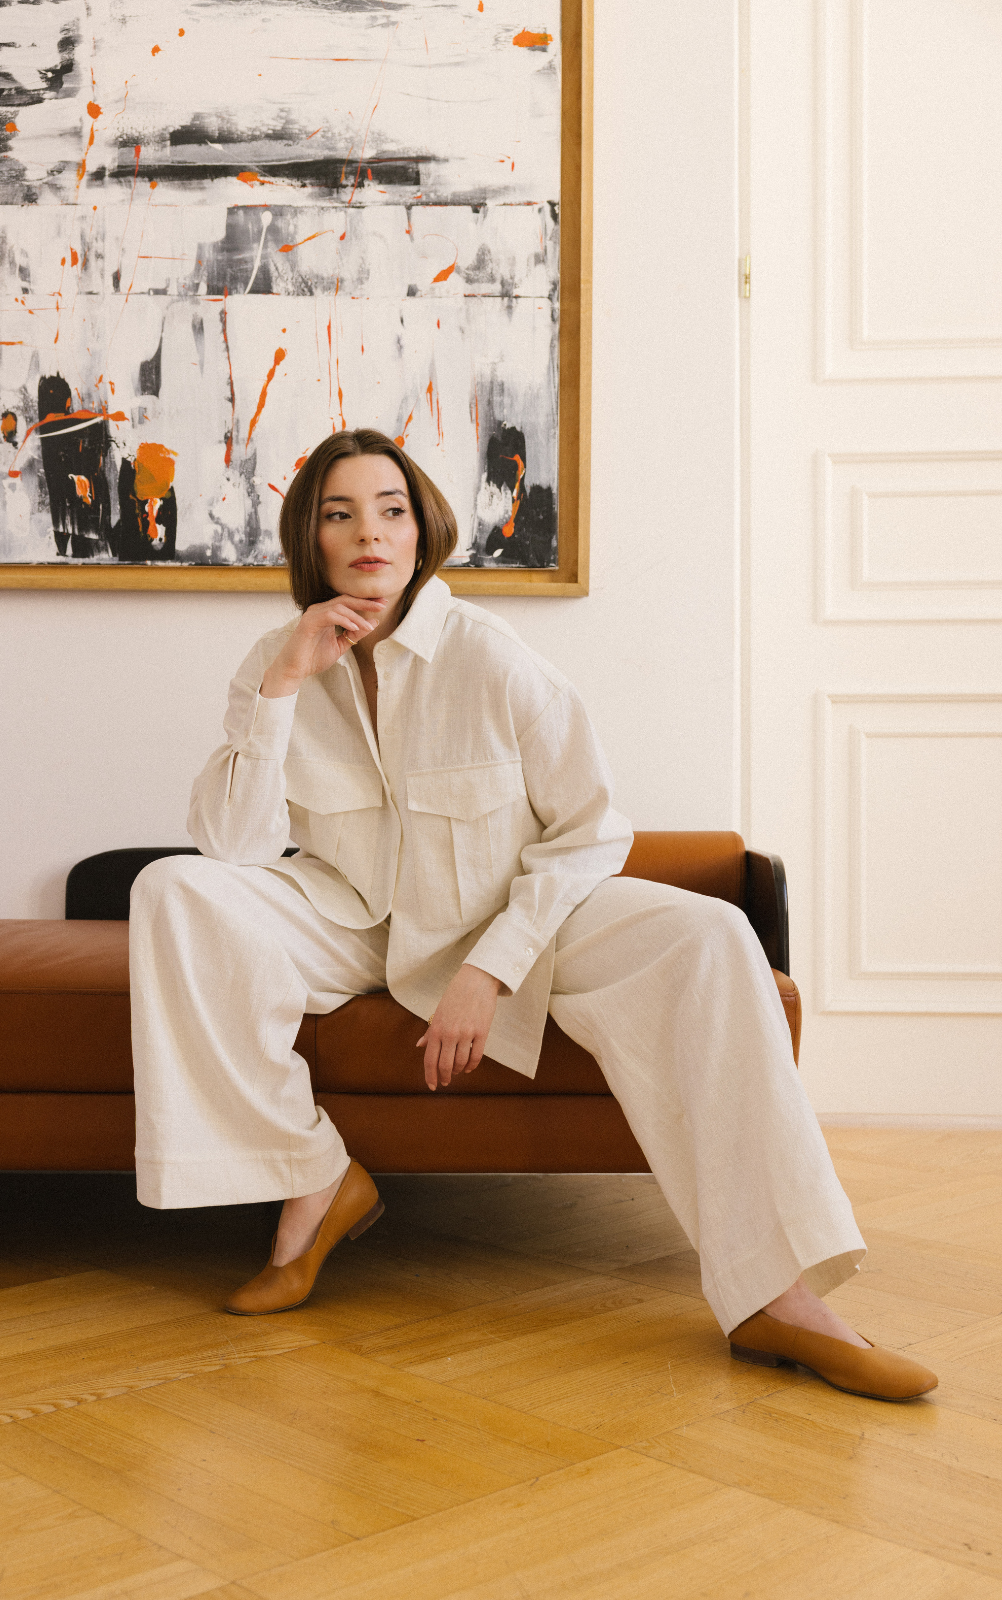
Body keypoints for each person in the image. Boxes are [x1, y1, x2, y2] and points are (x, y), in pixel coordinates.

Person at [129, 428, 937, 1402]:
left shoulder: (491, 658)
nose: (370, 533)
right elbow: (232, 846)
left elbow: (590, 831)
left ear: (421, 529)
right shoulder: (278, 660)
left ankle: (780, 1297)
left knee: (714, 935)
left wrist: (490, 967)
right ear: (313, 537)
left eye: (391, 509)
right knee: (169, 888)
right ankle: (314, 1178)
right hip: (351, 915)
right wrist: (283, 685)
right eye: (341, 514)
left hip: (511, 913)